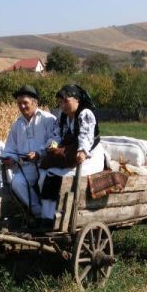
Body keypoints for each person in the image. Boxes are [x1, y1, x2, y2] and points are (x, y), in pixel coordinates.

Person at [38, 84, 105, 224]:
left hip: (91, 155)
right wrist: (52, 144)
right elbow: (57, 135)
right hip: (70, 152)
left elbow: (86, 136)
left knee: (60, 175)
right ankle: (47, 216)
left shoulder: (85, 113)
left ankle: (60, 214)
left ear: (77, 100)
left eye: (66, 101)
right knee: (47, 172)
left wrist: (82, 151)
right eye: (60, 102)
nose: (62, 105)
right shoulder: (63, 117)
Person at [3, 85, 56, 218]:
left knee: (44, 180)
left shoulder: (48, 119)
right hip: (27, 167)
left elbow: (55, 140)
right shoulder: (17, 125)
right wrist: (9, 158)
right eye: (19, 103)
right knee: (17, 183)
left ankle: (49, 215)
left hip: (47, 164)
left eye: (25, 103)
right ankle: (38, 213)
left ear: (34, 102)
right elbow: (10, 148)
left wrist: (39, 153)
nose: (22, 106)